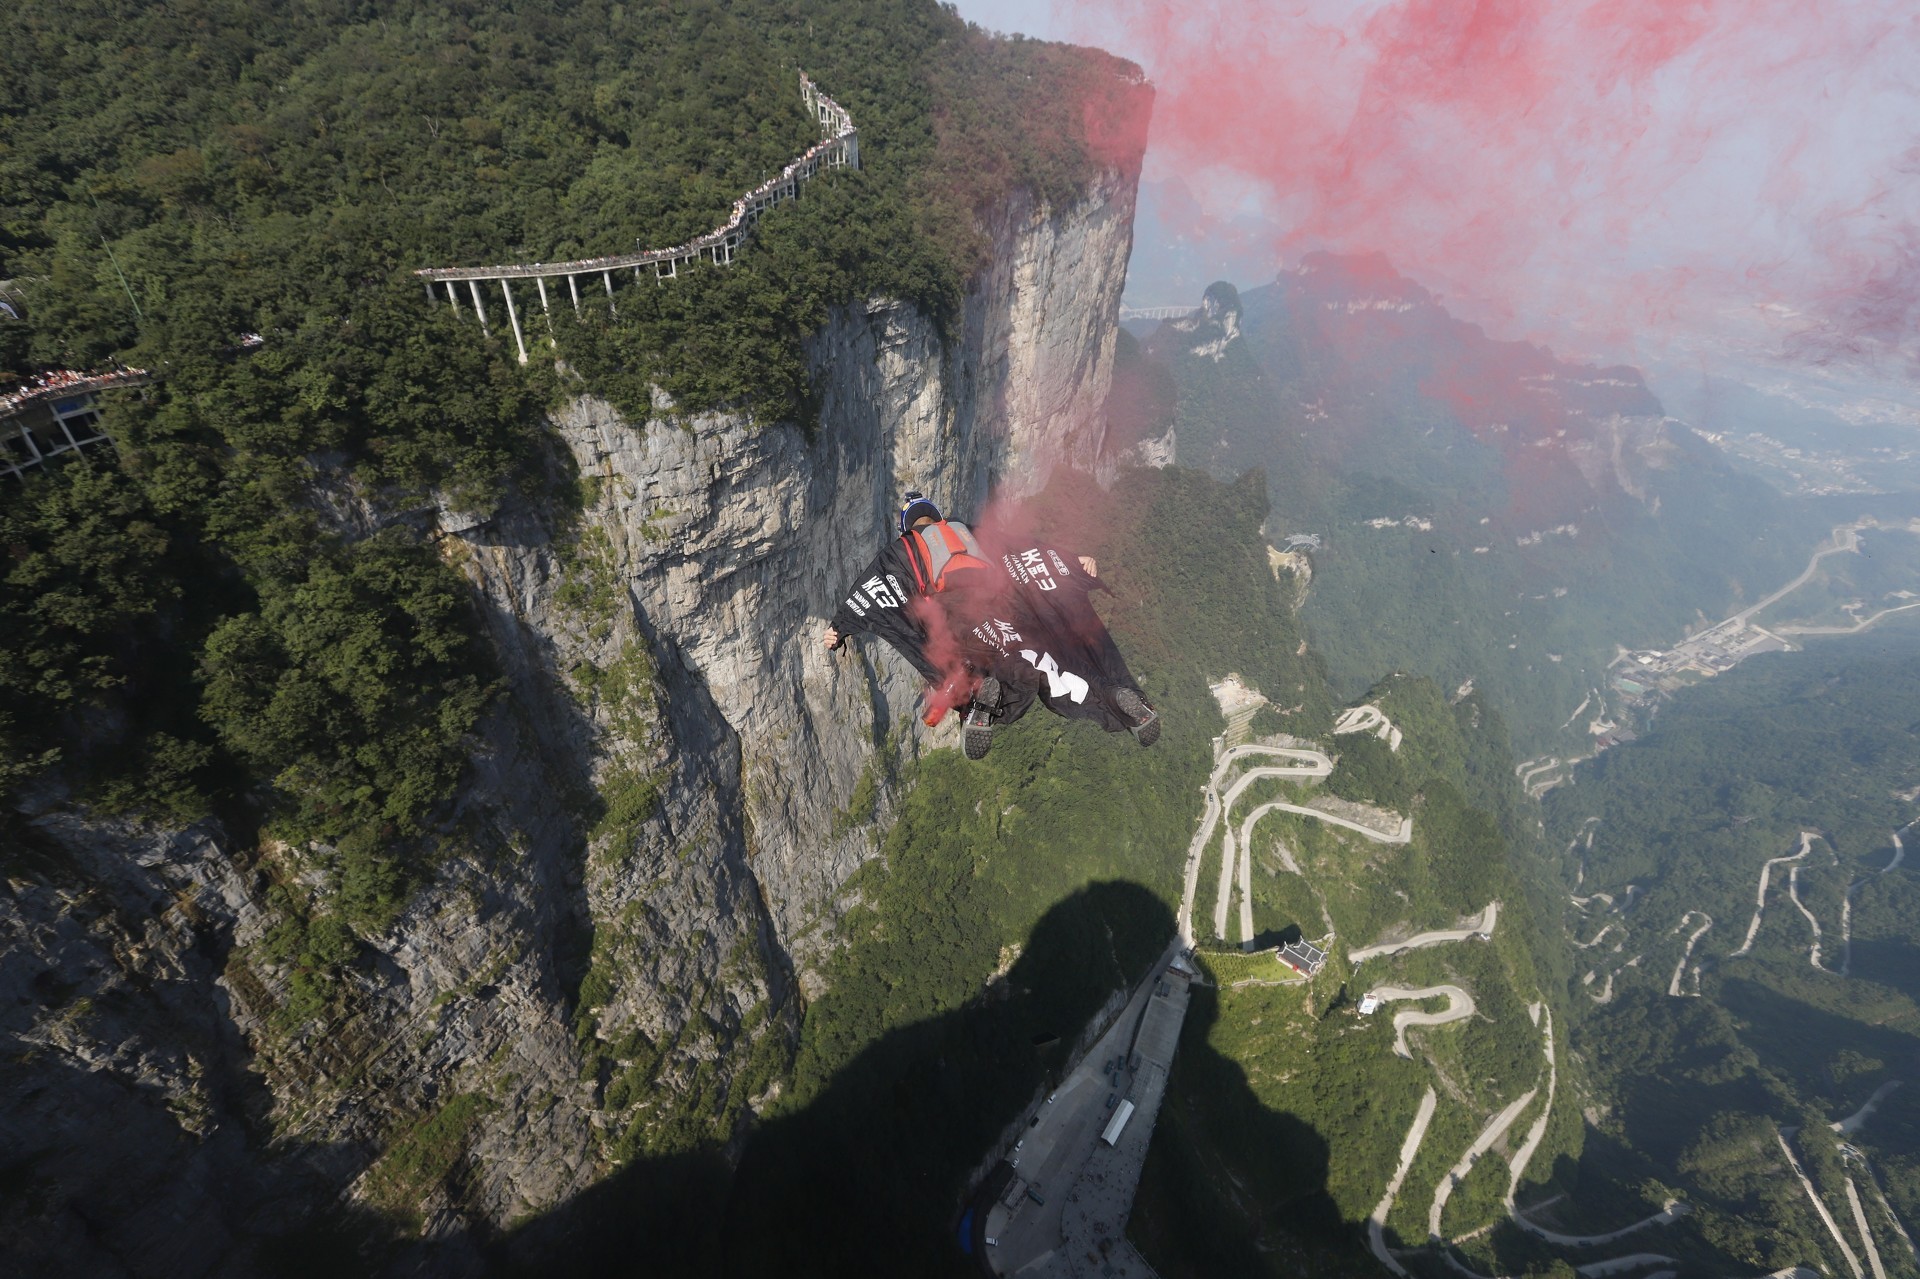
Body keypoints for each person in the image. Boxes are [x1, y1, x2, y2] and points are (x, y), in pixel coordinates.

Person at [823, 492, 1159, 760]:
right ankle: (1114, 696)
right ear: (937, 517)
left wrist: (840, 627)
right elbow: (1022, 547)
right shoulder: (964, 530)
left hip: (960, 614)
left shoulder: (904, 548)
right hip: (1004, 606)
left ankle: (980, 702)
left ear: (906, 527)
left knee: (969, 666)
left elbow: (871, 590)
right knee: (1048, 663)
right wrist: (1071, 561)